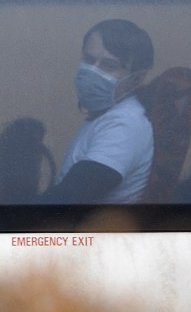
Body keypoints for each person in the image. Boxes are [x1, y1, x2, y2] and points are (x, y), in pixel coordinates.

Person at [41, 20, 154, 204]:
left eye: (109, 66)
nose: (92, 71)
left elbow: (69, 198)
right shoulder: (106, 116)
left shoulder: (125, 124)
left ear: (137, 79)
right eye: (89, 60)